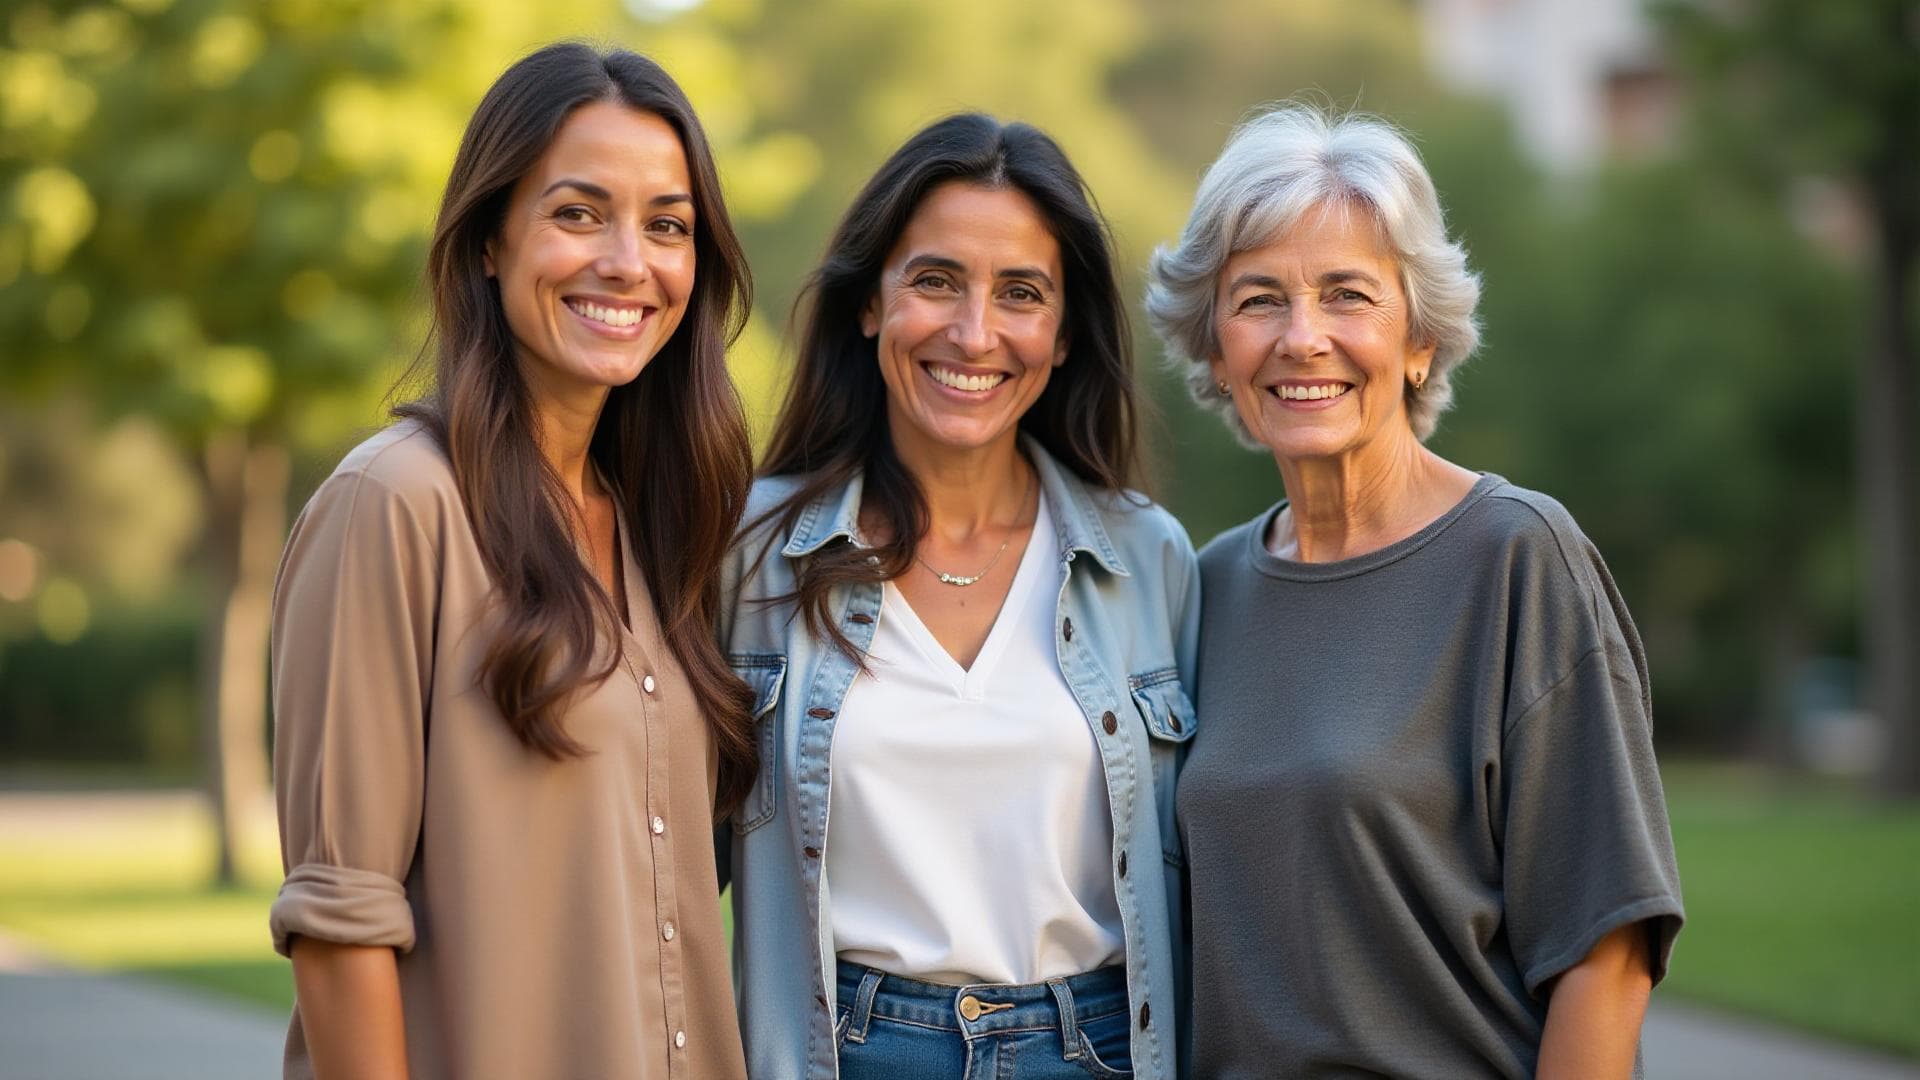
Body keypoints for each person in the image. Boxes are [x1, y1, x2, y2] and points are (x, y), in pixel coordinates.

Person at [1145, 104, 1684, 1079]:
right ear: (1216, 352)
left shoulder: (1518, 559)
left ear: (1420, 338)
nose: (1303, 337)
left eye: (1346, 295)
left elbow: (1606, 960)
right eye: (1259, 300)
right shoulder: (1206, 585)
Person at [267, 43, 756, 1080]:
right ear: (490, 240)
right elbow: (340, 924)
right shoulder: (394, 505)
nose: (627, 261)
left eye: (667, 225)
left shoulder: (664, 531)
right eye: (579, 213)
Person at [720, 113, 1199, 1080]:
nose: (974, 333)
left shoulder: (1149, 557)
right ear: (870, 304)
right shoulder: (751, 550)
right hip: (842, 1053)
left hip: (1097, 1052)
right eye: (936, 280)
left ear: (1063, 335)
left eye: (1021, 293)